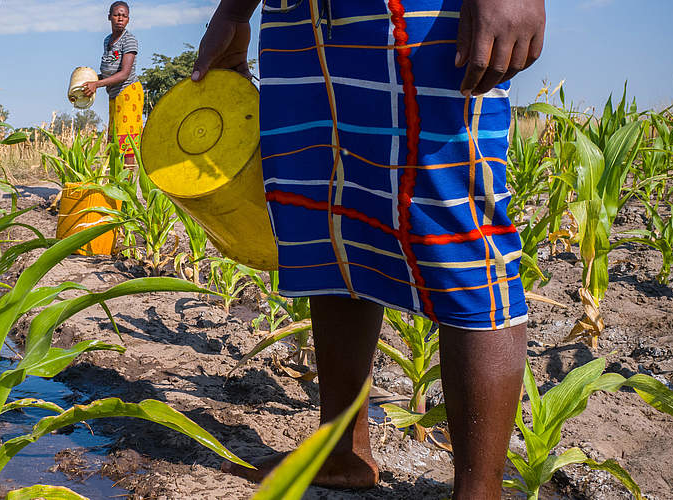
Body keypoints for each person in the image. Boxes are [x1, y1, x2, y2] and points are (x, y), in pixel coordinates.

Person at [191, 0, 544, 498]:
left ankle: (479, 490)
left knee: (457, 228)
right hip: (299, 17)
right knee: (330, 217)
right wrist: (233, 10)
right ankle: (342, 450)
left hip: (421, 15)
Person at [82, 1, 143, 166]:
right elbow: (110, 71)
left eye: (124, 16)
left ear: (128, 19)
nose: (120, 19)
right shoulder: (107, 40)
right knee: (114, 137)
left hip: (128, 92)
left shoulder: (129, 40)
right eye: (117, 15)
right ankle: (116, 180)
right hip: (114, 94)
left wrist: (97, 84)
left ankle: (128, 181)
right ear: (109, 17)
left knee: (126, 138)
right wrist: (91, 80)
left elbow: (124, 74)